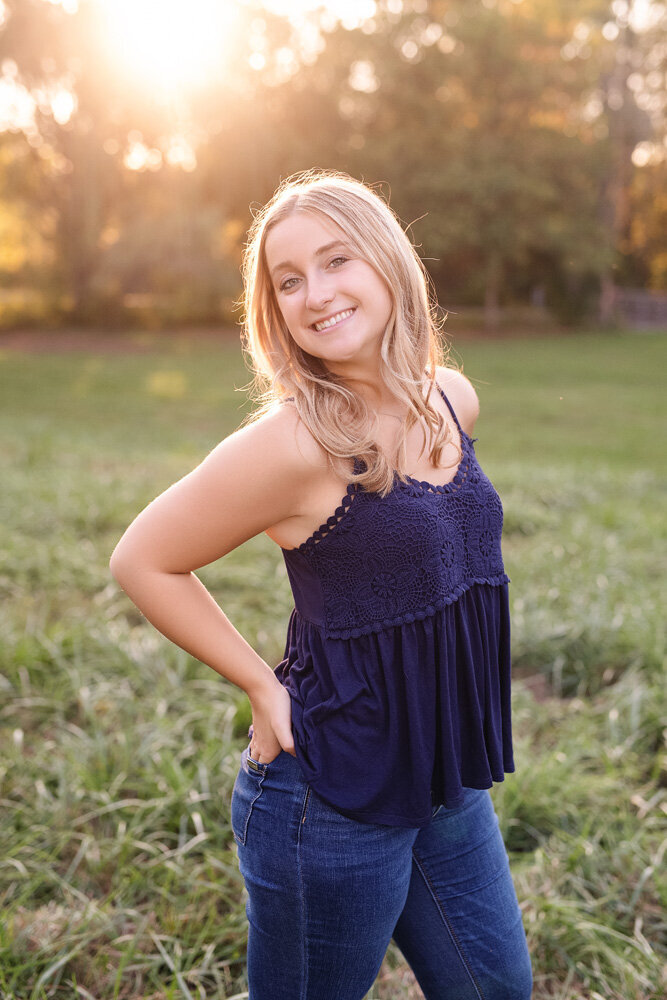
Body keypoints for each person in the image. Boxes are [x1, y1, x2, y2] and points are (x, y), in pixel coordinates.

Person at [109, 168, 533, 1000]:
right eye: (288, 279)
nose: (315, 294)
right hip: (329, 794)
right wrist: (261, 686)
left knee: (495, 990)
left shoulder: (450, 399)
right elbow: (143, 558)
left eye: (337, 261)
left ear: (387, 262)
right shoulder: (293, 443)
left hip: (442, 774)